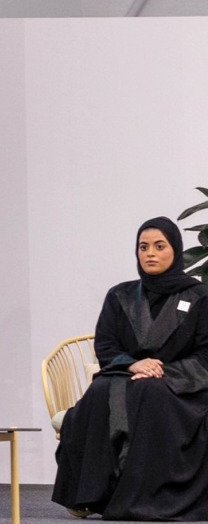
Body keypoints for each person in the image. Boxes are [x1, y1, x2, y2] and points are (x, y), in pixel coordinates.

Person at [52, 216, 208, 521]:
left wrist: (162, 371)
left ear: (175, 250)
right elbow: (106, 346)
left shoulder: (199, 296)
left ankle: (147, 497)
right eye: (143, 247)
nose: (150, 253)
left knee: (150, 392)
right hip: (124, 374)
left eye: (159, 246)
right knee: (99, 391)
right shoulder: (120, 295)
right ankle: (92, 495)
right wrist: (135, 363)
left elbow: (205, 354)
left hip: (183, 384)